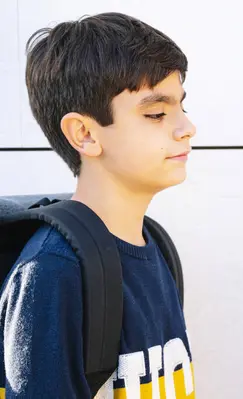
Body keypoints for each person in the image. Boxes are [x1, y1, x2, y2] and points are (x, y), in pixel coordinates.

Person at [0, 12, 197, 398]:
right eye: (157, 113)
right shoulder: (52, 271)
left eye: (181, 107)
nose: (187, 128)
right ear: (85, 134)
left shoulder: (156, 245)